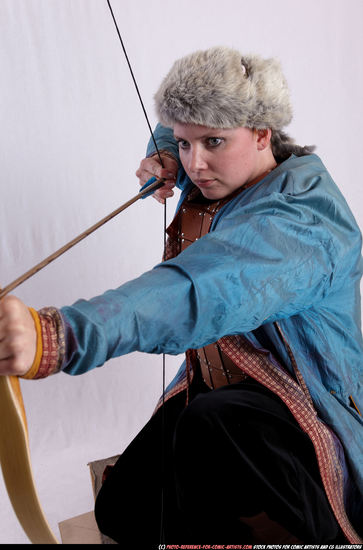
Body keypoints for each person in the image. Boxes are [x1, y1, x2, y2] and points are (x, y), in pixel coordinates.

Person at [0, 47, 362, 545]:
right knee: (124, 510)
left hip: (297, 412)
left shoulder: (302, 221)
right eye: (187, 145)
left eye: (212, 142)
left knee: (210, 425)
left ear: (262, 133)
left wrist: (58, 334)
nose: (197, 163)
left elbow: (199, 289)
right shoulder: (224, 161)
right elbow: (181, 129)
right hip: (220, 396)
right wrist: (166, 149)